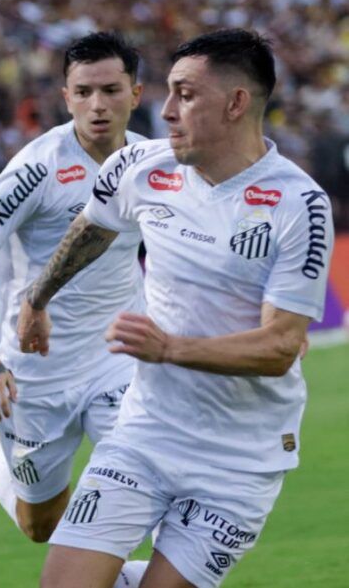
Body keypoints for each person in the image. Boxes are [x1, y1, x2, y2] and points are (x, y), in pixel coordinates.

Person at [17, 29, 333, 588]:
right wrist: (37, 299)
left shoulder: (298, 204)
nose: (165, 111)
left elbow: (280, 347)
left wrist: (168, 348)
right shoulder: (140, 167)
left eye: (185, 95)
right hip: (145, 433)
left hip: (241, 458)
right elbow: (91, 229)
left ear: (236, 103)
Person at [0, 31, 150, 582]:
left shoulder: (151, 162)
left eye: (110, 90)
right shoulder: (38, 167)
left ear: (135, 93)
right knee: (40, 524)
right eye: (83, 92)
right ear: (66, 97)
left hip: (117, 357)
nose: (97, 105)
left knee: (146, 481)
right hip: (36, 367)